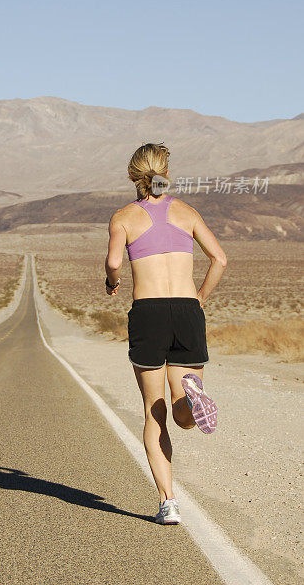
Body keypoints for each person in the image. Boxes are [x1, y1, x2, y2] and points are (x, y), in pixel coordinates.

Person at [104, 142, 227, 525]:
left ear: (132, 175)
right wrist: (200, 297)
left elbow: (112, 262)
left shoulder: (124, 217)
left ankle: (168, 503)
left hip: (149, 312)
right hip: (188, 311)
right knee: (181, 412)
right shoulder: (187, 212)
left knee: (153, 412)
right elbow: (220, 258)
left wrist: (113, 280)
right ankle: (193, 400)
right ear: (165, 172)